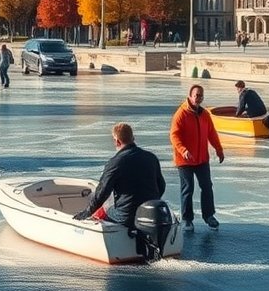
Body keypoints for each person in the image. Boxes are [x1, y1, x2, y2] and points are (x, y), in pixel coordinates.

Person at [72, 122, 166, 227]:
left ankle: (96, 232)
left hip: (126, 215)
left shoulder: (115, 162)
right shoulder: (151, 158)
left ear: (117, 141)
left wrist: (88, 212)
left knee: (103, 210)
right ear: (133, 138)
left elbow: (102, 192)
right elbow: (161, 186)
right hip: (150, 214)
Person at [169, 84, 225, 232]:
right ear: (190, 96)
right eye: (196, 95)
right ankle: (187, 219)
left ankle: (209, 216)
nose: (198, 98)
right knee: (188, 188)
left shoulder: (205, 114)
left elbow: (211, 133)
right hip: (185, 159)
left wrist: (218, 149)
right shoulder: (181, 114)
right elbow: (174, 135)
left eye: (201, 95)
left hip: (201, 159)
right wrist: (183, 150)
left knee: (207, 186)